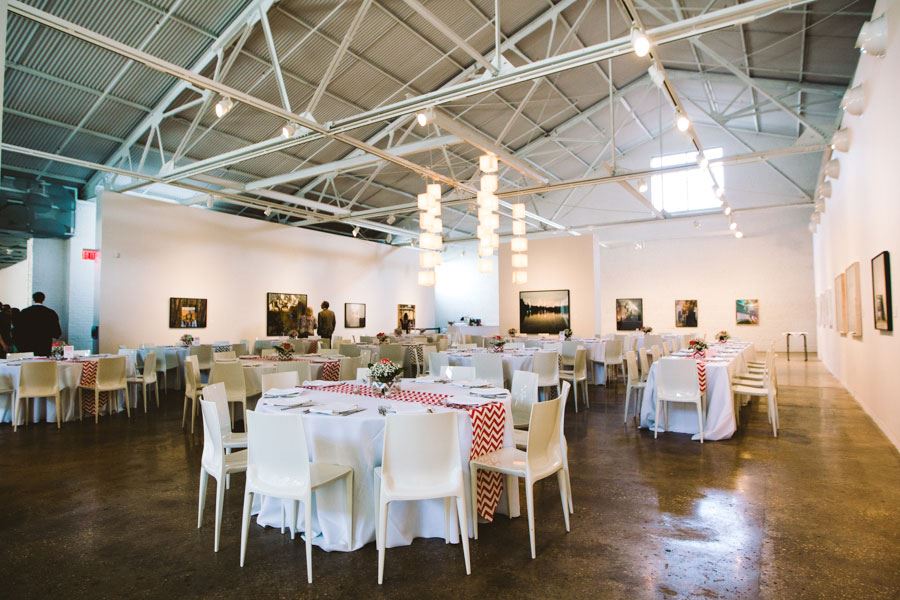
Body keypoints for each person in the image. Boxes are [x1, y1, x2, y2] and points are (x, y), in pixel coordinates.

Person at [15, 292, 62, 357]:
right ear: (43, 299)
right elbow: (56, 330)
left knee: (30, 361)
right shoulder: (50, 312)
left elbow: (19, 328)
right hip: (44, 342)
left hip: (28, 341)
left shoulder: (25, 311)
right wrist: (55, 335)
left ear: (33, 299)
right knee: (43, 361)